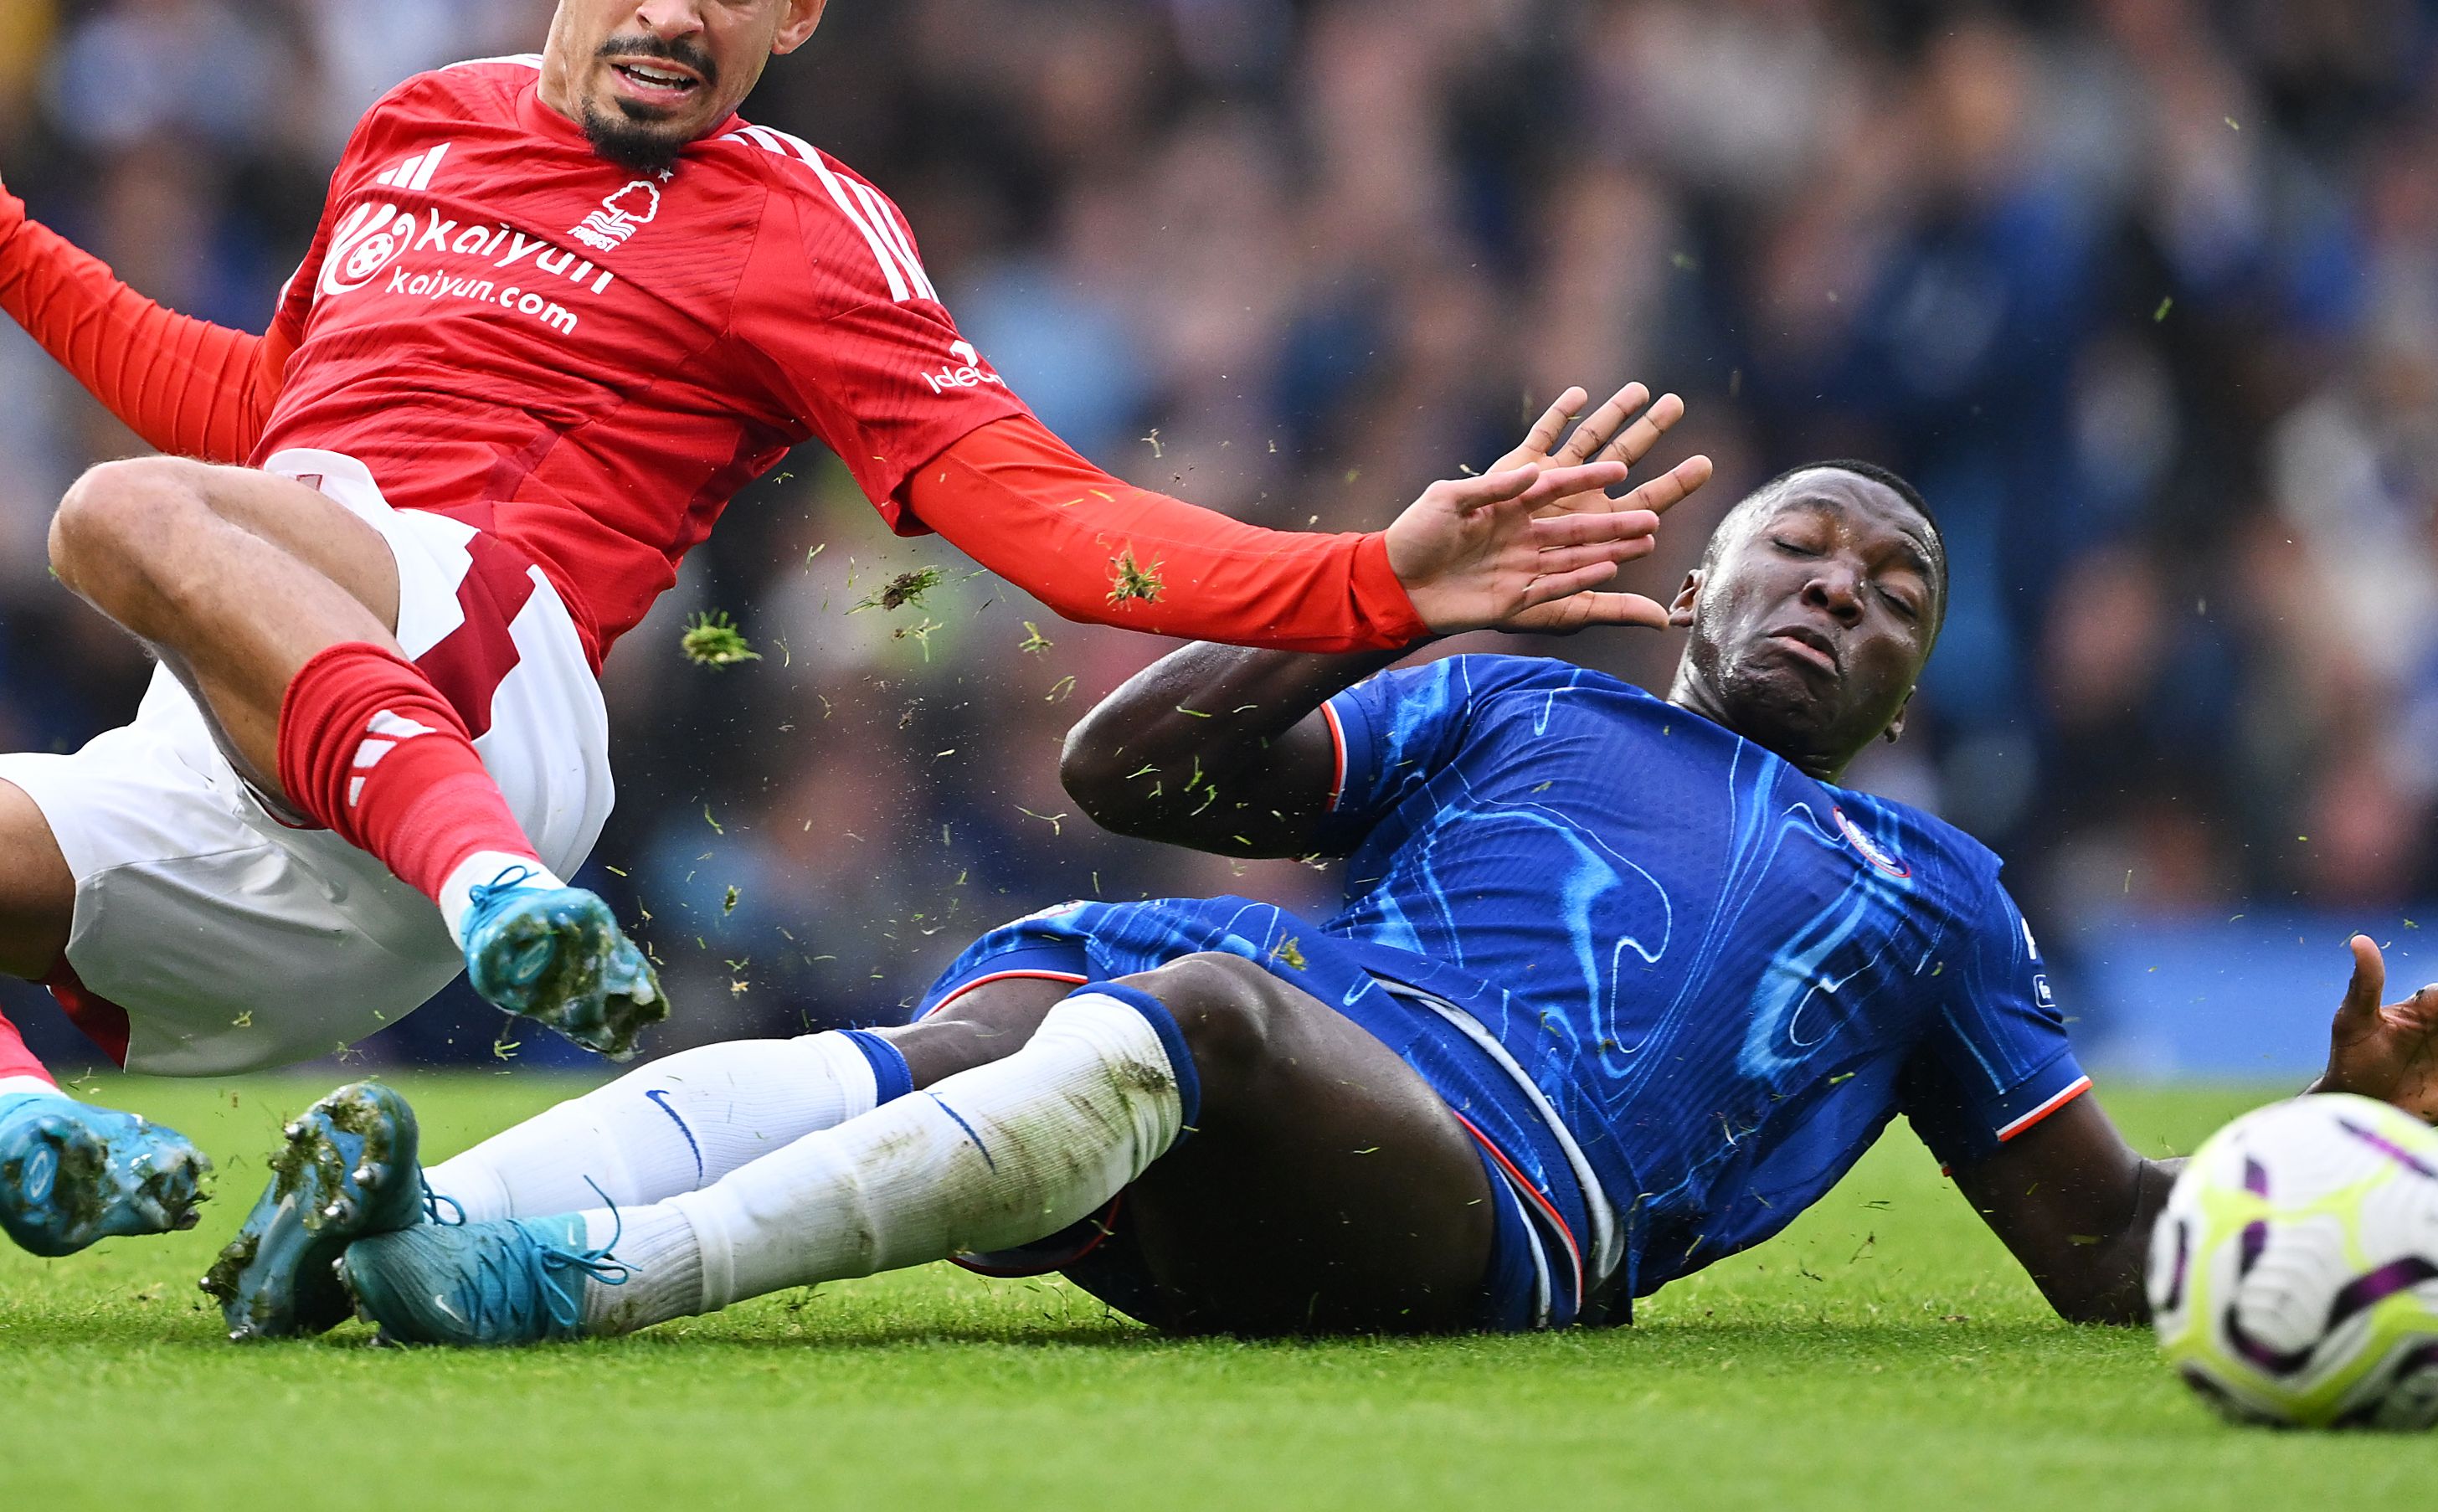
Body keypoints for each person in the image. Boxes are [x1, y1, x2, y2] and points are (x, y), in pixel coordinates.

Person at [212, 408, 2438, 1345]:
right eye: (1805, 552)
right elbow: (1140, 759)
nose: (1844, 593)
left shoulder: (1932, 888)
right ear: (1693, 585)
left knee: (1201, 1020)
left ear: (1910, 682)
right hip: (1214, 1051)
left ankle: (576, 1283)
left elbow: (2104, 1251)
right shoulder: (1523, 697)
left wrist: (2345, 1127)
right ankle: (385, 1233)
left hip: (1481, 1195)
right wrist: (1364, 591)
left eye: (1895, 593)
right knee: (949, 1034)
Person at [0, 0, 1679, 1259]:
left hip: (486, 685)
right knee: (150, 524)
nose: (677, 11)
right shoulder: (416, 125)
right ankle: (37, 1135)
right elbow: (274, 414)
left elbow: (1051, 523)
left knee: (113, 513)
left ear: (796, 21)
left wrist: (1374, 579)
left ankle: (495, 885)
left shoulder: (802, 227)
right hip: (266, 732)